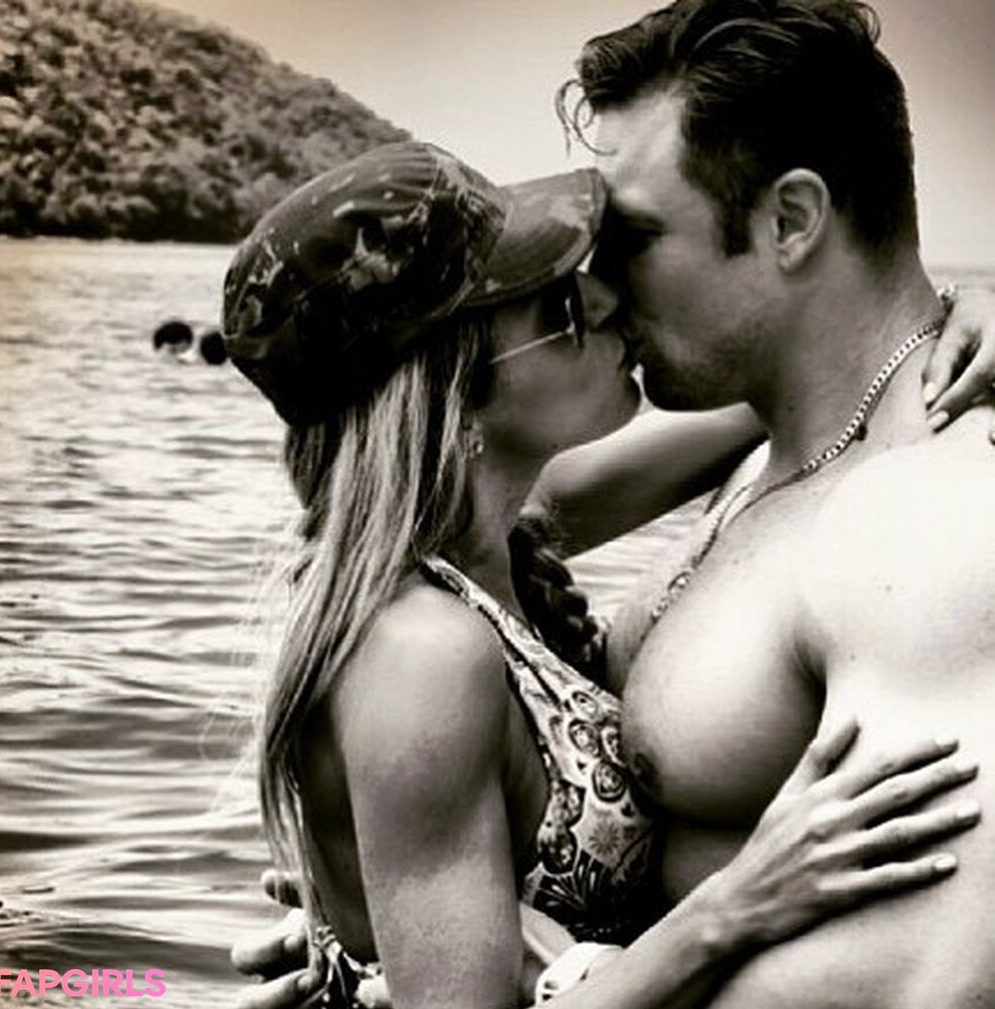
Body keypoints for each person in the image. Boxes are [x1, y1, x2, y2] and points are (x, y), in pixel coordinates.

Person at [219, 139, 990, 1009]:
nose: (606, 297)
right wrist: (737, 904)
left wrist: (951, 325)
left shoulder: (496, 539)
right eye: (559, 303)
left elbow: (818, 385)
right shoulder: (421, 648)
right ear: (455, 383)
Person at [560, 1, 994, 1005]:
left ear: (791, 220)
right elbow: (489, 503)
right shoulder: (776, 450)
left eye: (631, 239)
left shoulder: (931, 519)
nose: (598, 289)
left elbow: (933, 980)